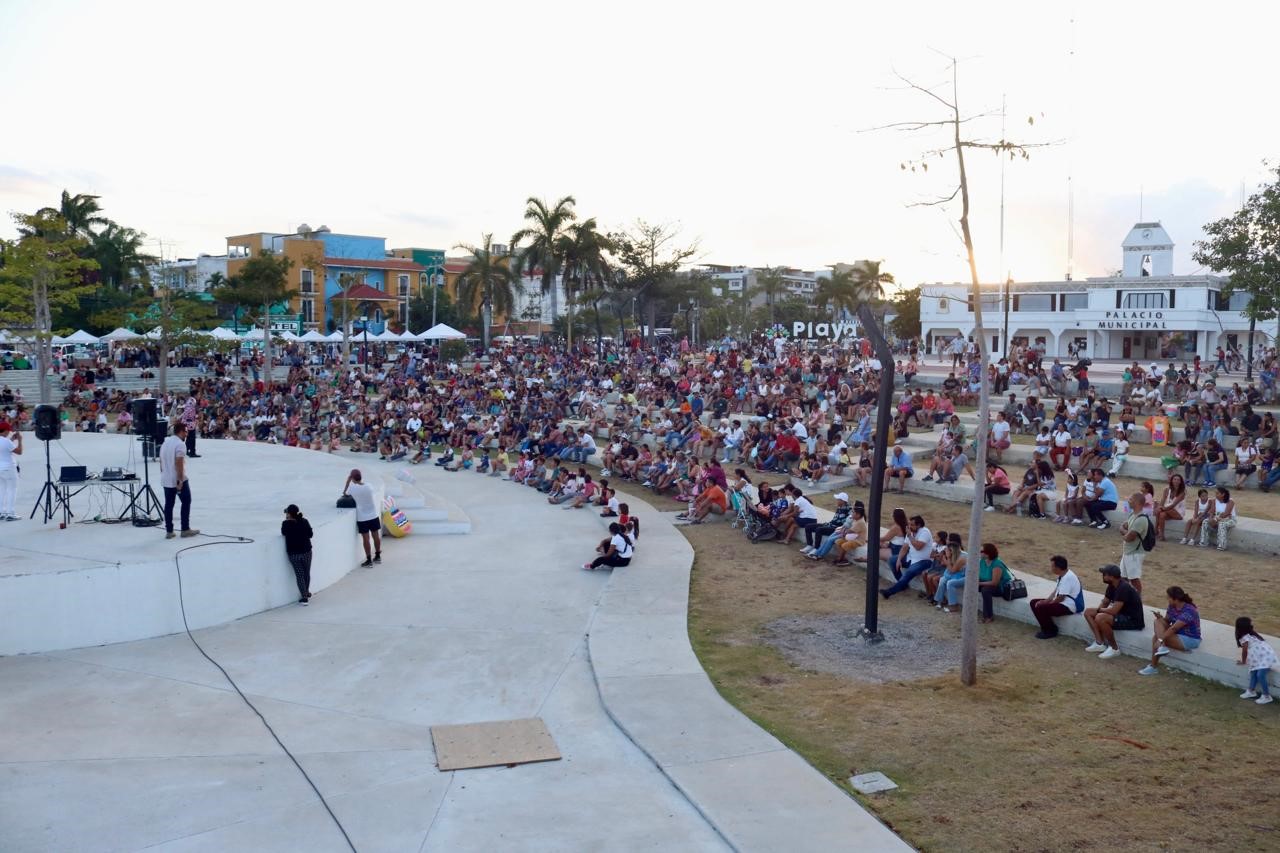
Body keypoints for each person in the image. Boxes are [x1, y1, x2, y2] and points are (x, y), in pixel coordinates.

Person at [1083, 564, 1145, 658]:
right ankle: (1100, 643)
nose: (1103, 576)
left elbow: (1113, 611)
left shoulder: (1124, 587)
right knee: (1088, 612)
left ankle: (1114, 648)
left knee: (1101, 618)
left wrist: (1099, 612)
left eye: (1104, 574)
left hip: (1132, 620)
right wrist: (1097, 611)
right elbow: (1105, 602)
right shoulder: (1112, 585)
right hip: (1121, 614)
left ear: (1111, 577)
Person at [1138, 586, 1201, 675]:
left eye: (1169, 597)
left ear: (1176, 599)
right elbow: (1167, 621)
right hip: (1177, 634)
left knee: (1156, 638)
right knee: (1157, 621)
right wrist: (1160, 618)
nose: (1167, 599)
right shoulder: (1172, 606)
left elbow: (1174, 628)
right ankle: (1160, 650)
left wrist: (1160, 640)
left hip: (1189, 639)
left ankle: (1153, 666)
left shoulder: (1189, 610)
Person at [159, 422, 199, 539]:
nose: (187, 434)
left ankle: (169, 531)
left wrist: (164, 473)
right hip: (176, 478)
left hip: (166, 478)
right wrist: (180, 480)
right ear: (181, 431)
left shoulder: (165, 442)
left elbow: (161, 462)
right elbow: (179, 463)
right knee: (186, 501)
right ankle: (185, 529)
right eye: (186, 431)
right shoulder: (180, 444)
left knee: (169, 505)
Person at [1029, 555, 1082, 639]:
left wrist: (1048, 604)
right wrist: (1046, 601)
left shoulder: (1068, 577)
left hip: (1069, 606)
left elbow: (1061, 597)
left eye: (1052, 566)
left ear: (1058, 568)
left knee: (1041, 607)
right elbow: (1055, 592)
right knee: (1033, 602)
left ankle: (1051, 630)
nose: (1051, 568)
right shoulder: (1063, 575)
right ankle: (1046, 628)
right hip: (1063, 602)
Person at [880, 514, 933, 599]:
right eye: (909, 524)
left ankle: (889, 592)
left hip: (923, 561)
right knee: (892, 560)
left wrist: (909, 536)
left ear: (919, 525)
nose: (909, 526)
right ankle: (902, 585)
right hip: (910, 558)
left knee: (908, 572)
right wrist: (899, 559)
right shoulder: (910, 532)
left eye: (912, 525)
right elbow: (904, 547)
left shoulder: (925, 532)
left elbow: (918, 547)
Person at [343, 468, 381, 567]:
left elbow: (345, 493)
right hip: (373, 515)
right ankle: (378, 556)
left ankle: (369, 560)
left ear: (352, 478)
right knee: (376, 536)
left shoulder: (352, 488)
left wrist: (348, 482)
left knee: (366, 539)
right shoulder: (369, 486)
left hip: (362, 517)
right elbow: (364, 486)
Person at [1235, 617, 1277, 704]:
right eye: (1250, 624)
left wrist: (1243, 661)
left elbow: (1245, 651)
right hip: (1259, 657)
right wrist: (1244, 661)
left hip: (1266, 656)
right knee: (1253, 672)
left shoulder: (1247, 636)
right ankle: (1251, 691)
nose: (1252, 625)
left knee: (1260, 675)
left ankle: (1267, 696)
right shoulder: (1248, 635)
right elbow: (1246, 650)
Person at [1117, 491, 1150, 595]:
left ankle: (1137, 599)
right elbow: (1125, 528)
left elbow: (1129, 537)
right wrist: (1125, 531)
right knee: (1123, 577)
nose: (1128, 501)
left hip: (1134, 554)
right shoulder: (1133, 515)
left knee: (1134, 579)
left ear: (1137, 502)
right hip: (1128, 552)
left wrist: (1123, 531)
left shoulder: (1141, 519)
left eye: (1131, 499)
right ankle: (1125, 598)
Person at [281, 504, 314, 605]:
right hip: (307, 552)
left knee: (300, 575)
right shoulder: (304, 521)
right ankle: (306, 592)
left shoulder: (286, 524)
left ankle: (304, 597)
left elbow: (283, 533)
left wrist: (287, 520)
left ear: (289, 514)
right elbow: (310, 534)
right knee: (306, 573)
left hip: (294, 554)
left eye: (287, 513)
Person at [976, 543, 1012, 623]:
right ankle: (972, 609)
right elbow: (979, 576)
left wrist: (979, 583)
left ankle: (988, 616)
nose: (979, 552)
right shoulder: (982, 561)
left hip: (1001, 587)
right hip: (986, 584)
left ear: (988, 553)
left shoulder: (997, 564)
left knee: (985, 590)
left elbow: (994, 583)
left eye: (981, 551)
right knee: (971, 586)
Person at [1199, 486, 1238, 551]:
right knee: (1205, 521)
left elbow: (1226, 513)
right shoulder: (1214, 500)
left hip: (1230, 519)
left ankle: (1221, 545)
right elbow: (1212, 512)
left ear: (1223, 494)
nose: (1216, 495)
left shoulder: (1230, 501)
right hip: (1217, 518)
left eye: (1217, 493)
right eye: (1215, 493)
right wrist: (1211, 519)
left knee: (1222, 524)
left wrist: (1216, 520)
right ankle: (1204, 542)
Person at [1154, 474, 1186, 542]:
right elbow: (1162, 501)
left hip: (1178, 513)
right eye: (1175, 479)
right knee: (1162, 515)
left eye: (1178, 480)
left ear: (1180, 482)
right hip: (1167, 510)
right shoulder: (1166, 489)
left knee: (1160, 510)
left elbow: (1173, 505)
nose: (1176, 481)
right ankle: (1162, 535)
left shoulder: (1182, 492)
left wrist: (1161, 508)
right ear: (1171, 480)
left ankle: (1155, 529)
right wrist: (1160, 507)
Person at [0, 423, 21, 521]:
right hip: (9, 468)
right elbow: (19, 451)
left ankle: (1, 512)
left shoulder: (6, 441)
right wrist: (20, 440)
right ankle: (10, 513)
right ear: (5, 431)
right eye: (8, 431)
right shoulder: (6, 441)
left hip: (0, 468)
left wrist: (11, 440)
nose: (9, 432)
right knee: (12, 489)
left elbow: (4, 448)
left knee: (2, 490)